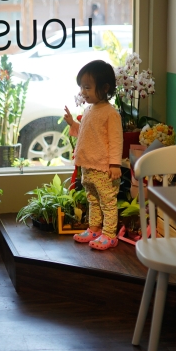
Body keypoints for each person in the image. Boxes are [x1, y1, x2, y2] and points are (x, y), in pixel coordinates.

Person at [63, 60, 123, 250]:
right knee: (93, 199)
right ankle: (94, 228)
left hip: (104, 168)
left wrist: (115, 164)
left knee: (107, 202)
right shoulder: (89, 110)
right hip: (88, 165)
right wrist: (73, 124)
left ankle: (109, 234)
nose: (83, 92)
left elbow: (116, 140)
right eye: (82, 87)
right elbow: (87, 134)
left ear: (105, 88)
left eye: (87, 87)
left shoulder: (110, 113)